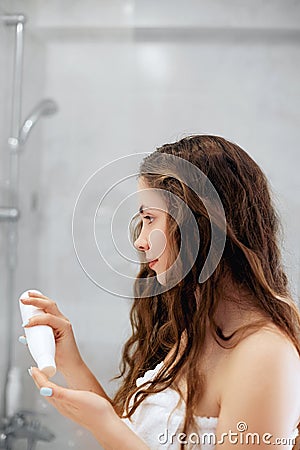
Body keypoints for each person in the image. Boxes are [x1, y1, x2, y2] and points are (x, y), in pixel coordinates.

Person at [20, 135, 300, 450]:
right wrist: (72, 364)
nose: (139, 241)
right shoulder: (197, 330)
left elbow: (121, 437)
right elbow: (140, 440)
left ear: (200, 224)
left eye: (149, 218)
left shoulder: (265, 356)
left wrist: (105, 424)